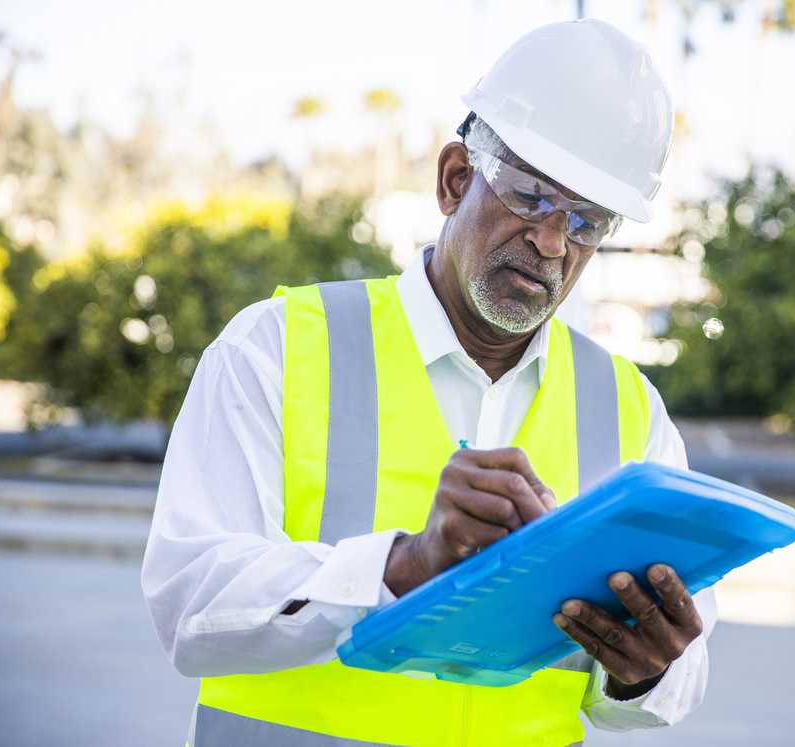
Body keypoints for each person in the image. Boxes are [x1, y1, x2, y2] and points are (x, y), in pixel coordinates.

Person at [143, 17, 717, 746]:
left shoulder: (631, 410)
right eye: (531, 195)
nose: (551, 243)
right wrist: (401, 567)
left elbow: (682, 673)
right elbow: (187, 600)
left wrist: (645, 670)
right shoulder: (276, 346)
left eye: (586, 222)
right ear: (455, 179)